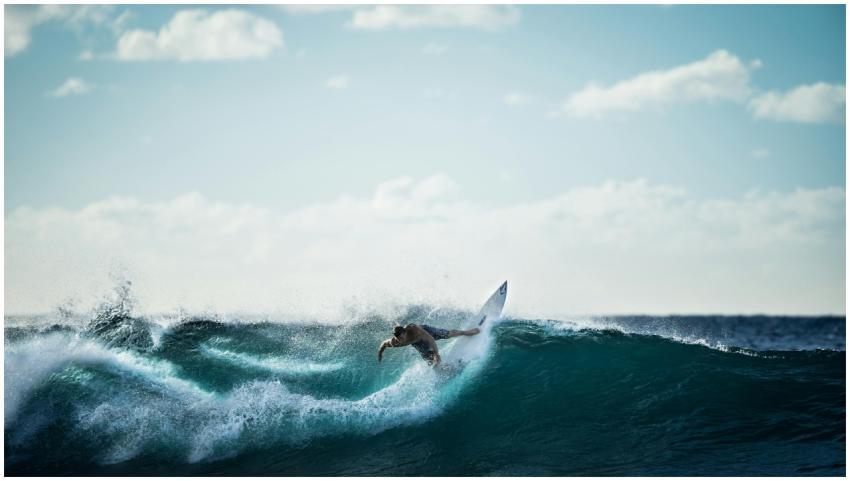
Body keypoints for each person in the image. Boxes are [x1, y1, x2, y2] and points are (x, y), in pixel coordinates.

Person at [377, 323, 480, 366]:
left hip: (426, 332)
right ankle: (444, 368)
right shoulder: (394, 342)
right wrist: (380, 353)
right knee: (431, 363)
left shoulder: (415, 331)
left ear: (405, 333)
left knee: (447, 334)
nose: (398, 340)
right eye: (396, 338)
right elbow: (383, 344)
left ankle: (467, 332)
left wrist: (436, 353)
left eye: (400, 337)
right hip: (417, 343)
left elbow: (430, 339)